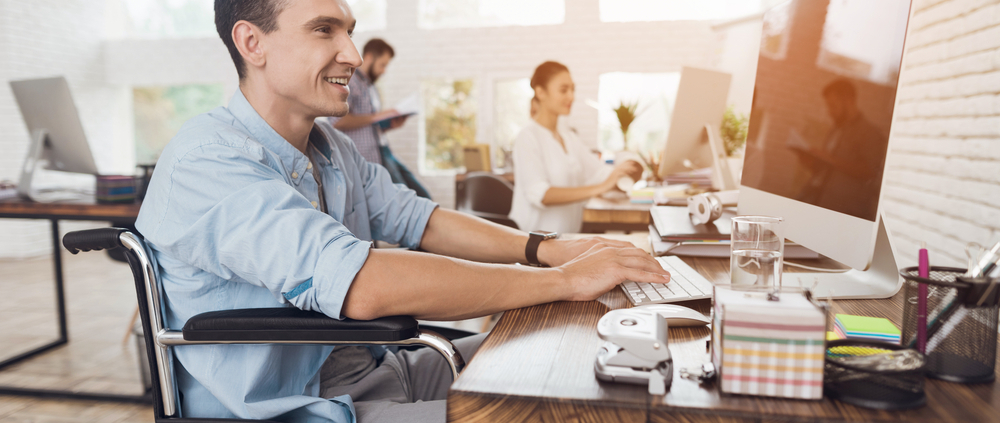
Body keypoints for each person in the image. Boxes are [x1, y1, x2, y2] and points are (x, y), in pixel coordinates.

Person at [134, 1, 670, 422]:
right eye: (324, 30)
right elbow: (363, 284)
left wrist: (546, 249)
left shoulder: (329, 147)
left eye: (348, 29)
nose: (352, 53)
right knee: (552, 411)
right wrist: (564, 280)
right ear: (252, 42)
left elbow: (421, 220)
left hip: (381, 369)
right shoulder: (208, 160)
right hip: (304, 409)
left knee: (574, 352)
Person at [510, 61, 642, 234]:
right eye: (564, 90)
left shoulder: (568, 137)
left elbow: (600, 174)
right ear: (540, 92)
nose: (571, 96)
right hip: (534, 244)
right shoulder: (527, 137)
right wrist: (601, 187)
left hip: (567, 242)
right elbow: (541, 195)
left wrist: (629, 164)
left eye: (573, 89)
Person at [328, 38, 431, 198]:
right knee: (406, 201)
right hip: (367, 157)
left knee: (422, 196)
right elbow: (337, 121)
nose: (384, 71)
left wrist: (389, 123)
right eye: (382, 65)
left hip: (383, 150)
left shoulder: (370, 86)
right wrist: (379, 115)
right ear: (369, 57)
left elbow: (369, 124)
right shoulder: (350, 82)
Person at [792, 78, 887, 220]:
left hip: (843, 212)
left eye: (833, 106)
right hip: (817, 200)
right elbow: (830, 169)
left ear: (848, 101)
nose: (829, 112)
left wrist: (829, 158)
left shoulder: (871, 134)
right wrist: (812, 163)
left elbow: (869, 171)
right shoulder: (835, 129)